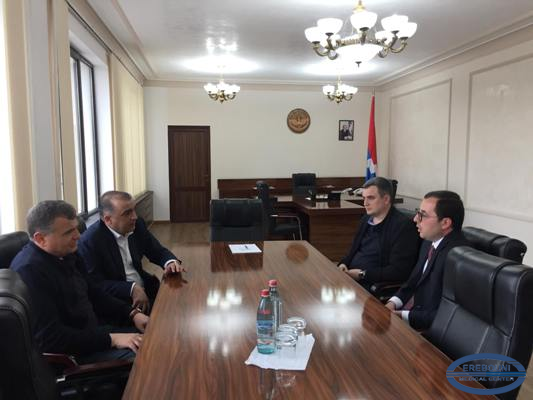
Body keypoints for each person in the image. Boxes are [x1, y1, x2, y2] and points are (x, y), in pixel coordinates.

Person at [10, 200, 148, 362]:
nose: (78, 236)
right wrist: (112, 339)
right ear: (41, 239)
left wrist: (131, 313)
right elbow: (51, 338)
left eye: (76, 228)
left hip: (93, 332)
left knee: (156, 336)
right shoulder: (30, 271)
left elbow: (94, 293)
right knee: (149, 356)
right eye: (68, 232)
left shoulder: (66, 252)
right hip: (73, 355)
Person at [78, 191, 185, 313]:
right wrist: (130, 288)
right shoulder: (90, 242)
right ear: (108, 220)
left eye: (134, 210)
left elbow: (157, 251)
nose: (135, 216)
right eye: (127, 213)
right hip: (117, 303)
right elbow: (94, 285)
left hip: (146, 288)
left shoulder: (136, 225)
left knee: (183, 306)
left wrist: (170, 262)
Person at [385, 191, 468, 331]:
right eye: (418, 212)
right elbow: (413, 282)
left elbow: (448, 315)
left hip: (429, 332)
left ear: (445, 223)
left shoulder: (457, 258)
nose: (415, 219)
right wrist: (391, 303)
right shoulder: (429, 242)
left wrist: (403, 316)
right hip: (409, 314)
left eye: (422, 215)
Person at [338, 177, 419, 291]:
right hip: (350, 278)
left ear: (386, 199)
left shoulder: (403, 226)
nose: (365, 203)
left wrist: (362, 274)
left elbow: (399, 271)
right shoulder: (366, 219)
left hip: (370, 285)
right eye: (364, 198)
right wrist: (343, 264)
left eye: (370, 198)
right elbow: (353, 250)